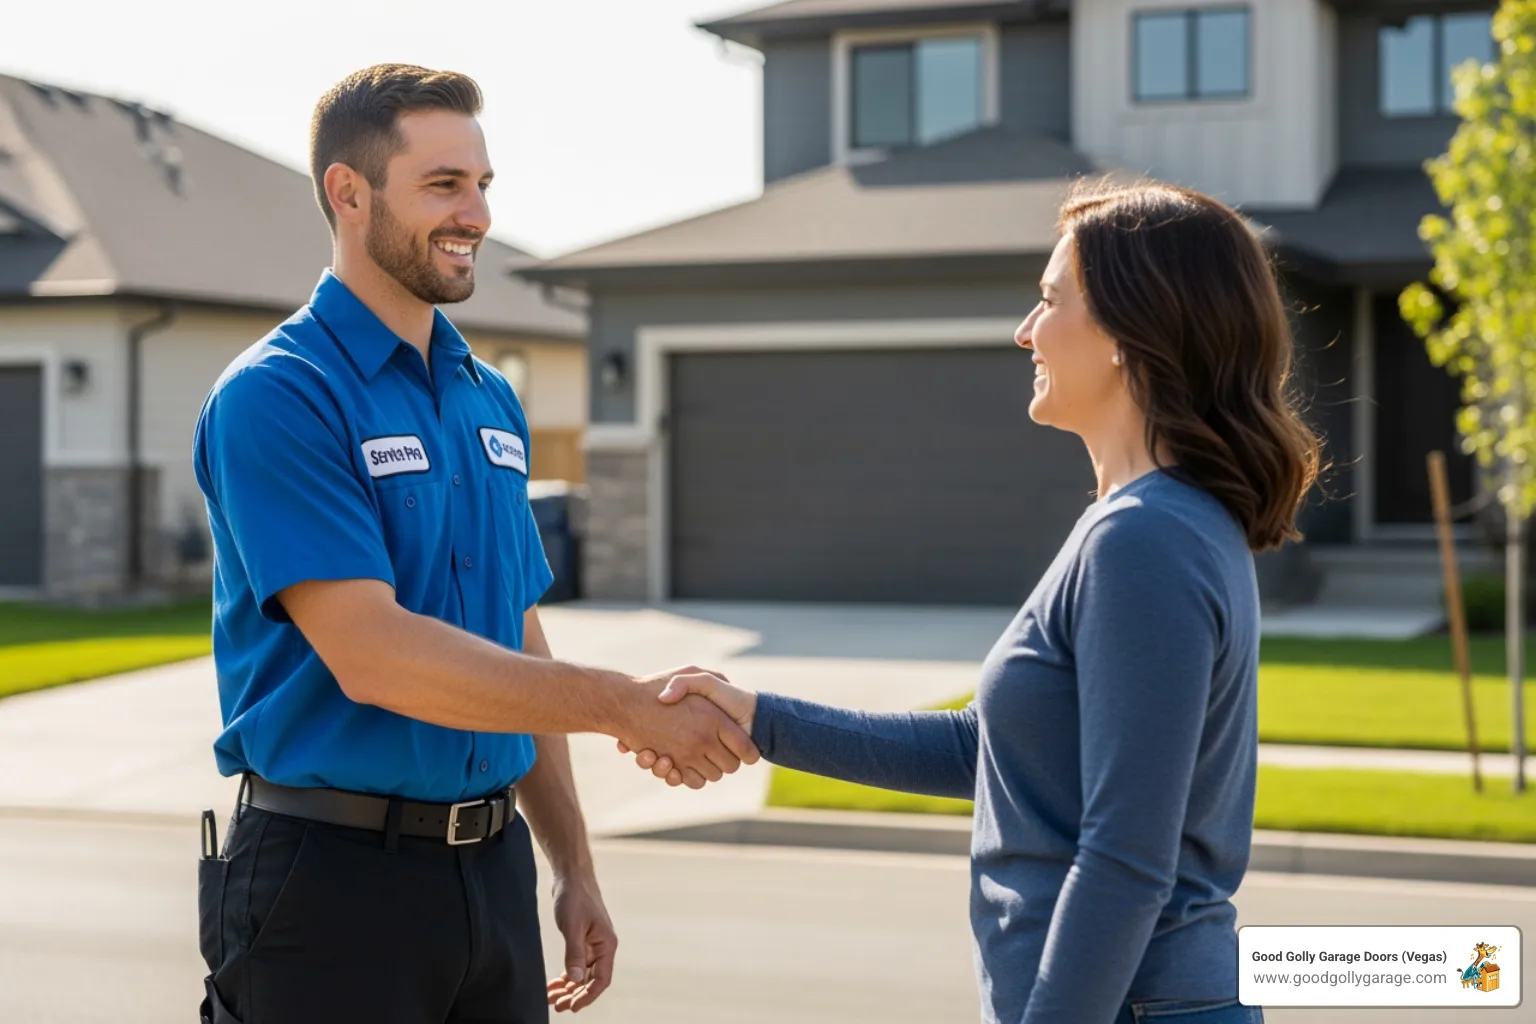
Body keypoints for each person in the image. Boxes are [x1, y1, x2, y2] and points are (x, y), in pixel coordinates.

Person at [624, 180, 1320, 1024]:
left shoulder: (1147, 539)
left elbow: (1128, 858)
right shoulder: (1149, 523)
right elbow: (996, 752)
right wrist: (759, 717)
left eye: (1049, 301)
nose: (1025, 330)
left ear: (1128, 335)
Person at [191, 64, 755, 1024]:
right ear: (349, 193)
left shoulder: (489, 398)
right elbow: (376, 658)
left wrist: (571, 865)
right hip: (328, 891)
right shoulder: (278, 396)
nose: (478, 214)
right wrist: (625, 707)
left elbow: (513, 639)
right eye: (444, 185)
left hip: (489, 884)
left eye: (483, 184)